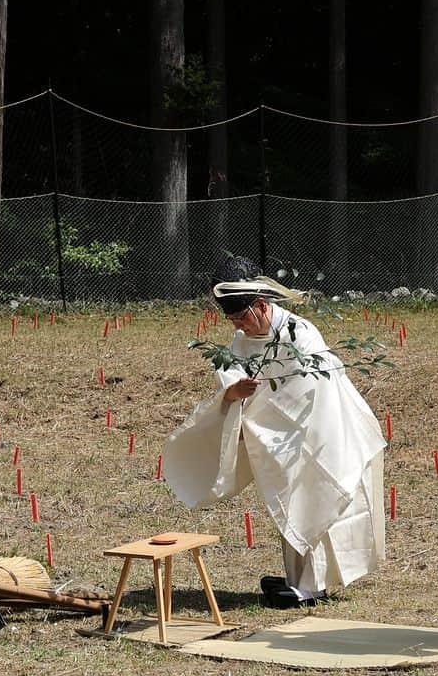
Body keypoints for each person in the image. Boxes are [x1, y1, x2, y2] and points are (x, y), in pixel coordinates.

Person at [163, 256, 386, 608]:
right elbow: (232, 378)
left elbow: (316, 392)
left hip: (322, 435)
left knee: (320, 497)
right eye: (232, 320)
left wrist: (283, 428)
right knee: (291, 504)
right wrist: (234, 393)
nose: (239, 326)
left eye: (242, 317)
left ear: (262, 305)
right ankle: (302, 583)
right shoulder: (240, 342)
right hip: (279, 444)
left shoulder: (301, 333)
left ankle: (315, 586)